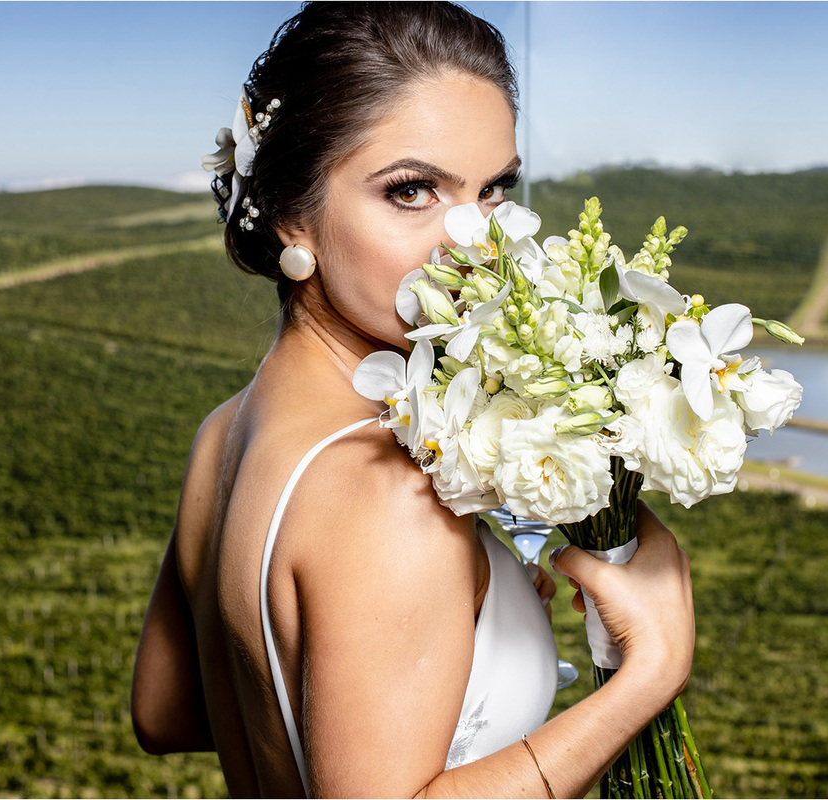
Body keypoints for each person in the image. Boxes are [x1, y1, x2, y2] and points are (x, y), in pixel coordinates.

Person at [131, 3, 695, 797]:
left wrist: (436, 642)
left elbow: (167, 712)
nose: (475, 241)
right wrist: (650, 674)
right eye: (411, 191)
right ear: (293, 211)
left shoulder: (224, 434)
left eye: (494, 189)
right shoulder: (393, 495)